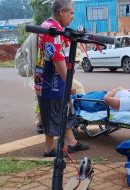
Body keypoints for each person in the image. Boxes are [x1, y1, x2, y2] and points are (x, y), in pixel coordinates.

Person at [34, 0, 88, 157]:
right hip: (51, 82)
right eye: (71, 13)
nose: (73, 16)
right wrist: (69, 83)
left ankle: (71, 142)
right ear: (62, 12)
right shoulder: (52, 31)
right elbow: (57, 59)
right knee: (52, 114)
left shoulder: (51, 26)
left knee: (64, 110)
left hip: (47, 79)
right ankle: (49, 149)